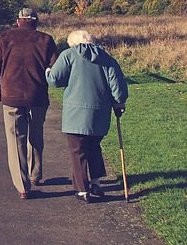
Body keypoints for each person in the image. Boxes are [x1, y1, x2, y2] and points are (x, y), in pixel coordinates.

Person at [46, 29, 128, 203]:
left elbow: (55, 80)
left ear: (73, 43)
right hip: (100, 113)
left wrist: (47, 72)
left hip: (75, 114)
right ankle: (96, 183)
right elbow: (118, 88)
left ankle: (82, 190)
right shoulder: (106, 58)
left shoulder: (68, 55)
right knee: (94, 147)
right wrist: (119, 103)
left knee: (78, 151)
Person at [0, 8, 58, 199]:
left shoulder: (5, 38)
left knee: (16, 140)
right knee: (36, 135)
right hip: (38, 96)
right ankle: (35, 174)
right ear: (35, 21)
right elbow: (55, 68)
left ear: (18, 21)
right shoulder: (46, 40)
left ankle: (23, 186)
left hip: (11, 96)